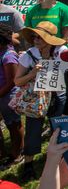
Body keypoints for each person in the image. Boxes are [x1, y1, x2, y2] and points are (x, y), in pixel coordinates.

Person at [15, 22, 67, 178]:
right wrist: (32, 74)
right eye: (34, 37)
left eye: (40, 37)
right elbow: (17, 81)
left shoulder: (62, 52)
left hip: (59, 96)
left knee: (58, 129)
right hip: (36, 99)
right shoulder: (29, 55)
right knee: (32, 130)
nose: (36, 40)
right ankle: (28, 165)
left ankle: (58, 161)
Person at [0, 26, 22, 168]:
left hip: (8, 96)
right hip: (2, 94)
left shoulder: (8, 56)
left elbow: (11, 81)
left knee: (14, 126)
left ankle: (17, 153)